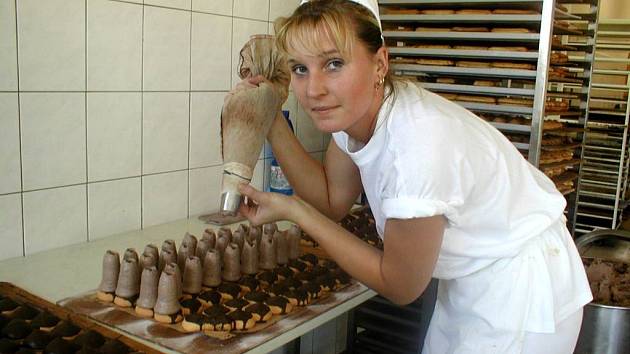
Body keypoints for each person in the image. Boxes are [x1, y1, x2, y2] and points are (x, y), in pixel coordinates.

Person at [232, 0, 593, 352]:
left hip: (522, 288)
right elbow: (332, 200)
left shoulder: (416, 146)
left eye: (334, 63)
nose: (313, 89)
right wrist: (272, 118)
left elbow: (401, 285)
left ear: (380, 63)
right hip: (474, 274)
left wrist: (296, 211)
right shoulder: (357, 113)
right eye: (300, 69)